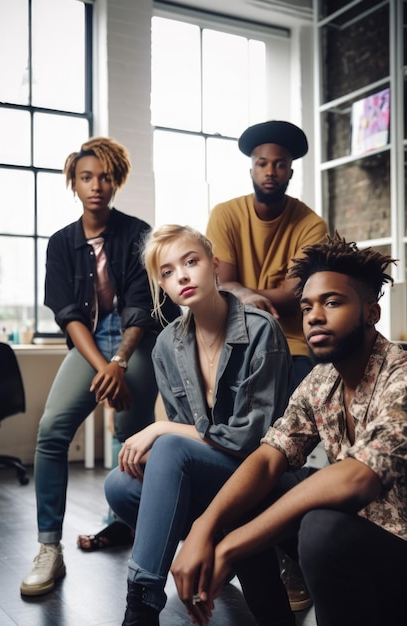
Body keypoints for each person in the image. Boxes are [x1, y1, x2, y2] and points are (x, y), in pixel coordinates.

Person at [171, 232, 407, 626]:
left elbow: (358, 479)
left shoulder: (401, 373)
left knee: (321, 527)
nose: (314, 315)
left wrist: (229, 547)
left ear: (371, 313)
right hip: (363, 550)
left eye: (332, 302)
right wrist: (204, 528)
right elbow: (266, 460)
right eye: (307, 306)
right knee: (251, 493)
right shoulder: (320, 381)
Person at [104, 224, 295, 626]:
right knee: (119, 485)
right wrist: (169, 433)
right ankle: (205, 549)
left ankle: (141, 607)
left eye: (191, 262)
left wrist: (157, 430)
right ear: (163, 286)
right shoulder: (166, 345)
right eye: (169, 272)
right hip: (213, 476)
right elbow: (192, 443)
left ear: (214, 265)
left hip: (260, 474)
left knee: (169, 447)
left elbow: (251, 440)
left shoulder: (263, 331)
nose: (183, 276)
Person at [20, 137, 177, 597]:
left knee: (130, 432)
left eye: (105, 177)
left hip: (136, 340)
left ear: (116, 181)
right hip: (88, 344)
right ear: (74, 182)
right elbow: (68, 315)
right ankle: (50, 548)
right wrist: (105, 368)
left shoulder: (137, 233)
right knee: (51, 432)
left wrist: (121, 361)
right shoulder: (61, 244)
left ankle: (129, 527)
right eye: (87, 177)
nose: (96, 186)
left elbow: (142, 306)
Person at [206, 119, 329, 608]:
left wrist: (251, 295)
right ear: (251, 167)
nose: (270, 171)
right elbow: (225, 282)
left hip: (297, 343)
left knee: (281, 447)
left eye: (279, 164)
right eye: (262, 163)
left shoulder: (311, 224)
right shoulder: (226, 214)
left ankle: (285, 551)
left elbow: (303, 291)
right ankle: (261, 545)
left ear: (292, 170)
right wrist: (252, 296)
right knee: (237, 443)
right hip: (237, 341)